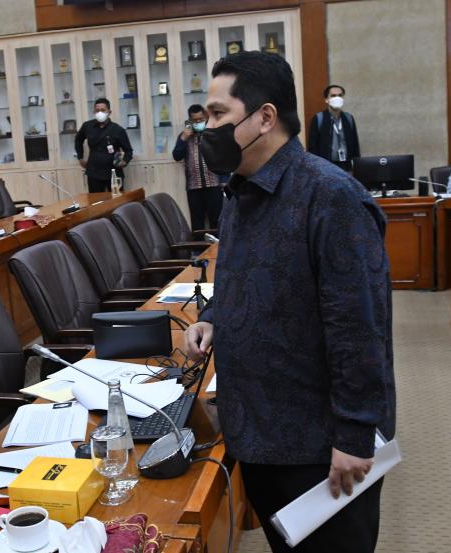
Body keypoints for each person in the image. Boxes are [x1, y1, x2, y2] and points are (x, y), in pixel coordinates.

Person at [186, 51, 395, 553]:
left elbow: (361, 329)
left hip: (319, 446)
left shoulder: (331, 198)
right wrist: (214, 318)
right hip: (259, 432)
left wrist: (354, 436)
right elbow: (240, 278)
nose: (204, 128)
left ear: (264, 117)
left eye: (218, 114)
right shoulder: (242, 191)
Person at [172, 104, 224, 230]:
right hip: (194, 188)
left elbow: (223, 158)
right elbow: (177, 156)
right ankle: (198, 249)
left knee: (217, 222)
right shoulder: (184, 136)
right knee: (197, 224)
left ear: (206, 117)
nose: (199, 122)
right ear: (190, 121)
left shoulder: (213, 133)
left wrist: (224, 180)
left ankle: (217, 248)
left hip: (214, 185)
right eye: (195, 120)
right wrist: (183, 139)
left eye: (201, 119)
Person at [75, 98, 133, 192]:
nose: (100, 113)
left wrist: (124, 162)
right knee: (96, 203)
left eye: (103, 110)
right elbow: (78, 140)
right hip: (94, 172)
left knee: (117, 202)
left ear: (109, 112)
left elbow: (128, 150)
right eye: (97, 110)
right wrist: (80, 157)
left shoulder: (118, 130)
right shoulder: (87, 126)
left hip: (114, 173)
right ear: (94, 112)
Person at [307, 84, 360, 171]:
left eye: (340, 95)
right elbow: (312, 147)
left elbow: (355, 145)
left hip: (346, 166)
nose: (337, 98)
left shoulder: (349, 118)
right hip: (326, 166)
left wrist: (356, 165)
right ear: (326, 99)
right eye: (333, 96)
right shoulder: (319, 118)